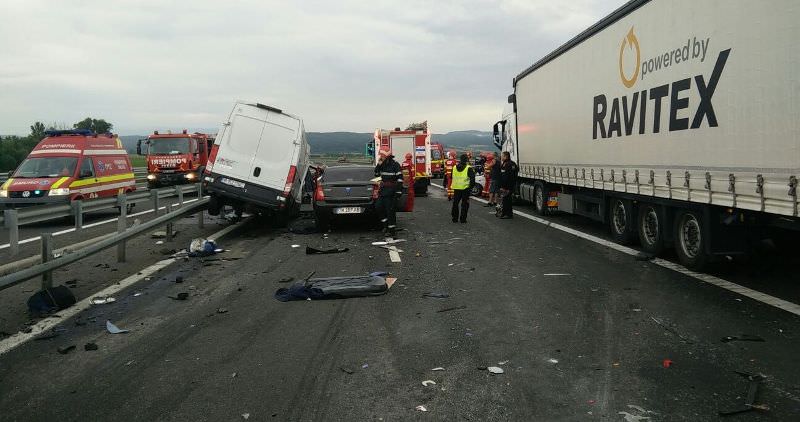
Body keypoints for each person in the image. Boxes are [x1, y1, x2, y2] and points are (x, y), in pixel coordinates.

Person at [374, 149, 403, 235]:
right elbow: (376, 174)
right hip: (383, 191)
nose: (380, 157)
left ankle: (391, 230)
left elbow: (400, 179)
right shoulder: (382, 165)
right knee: (378, 207)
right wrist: (378, 165)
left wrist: (398, 192)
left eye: (382, 156)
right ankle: (385, 225)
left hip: (391, 191)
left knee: (390, 211)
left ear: (387, 157)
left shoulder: (395, 165)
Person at [450, 153, 475, 223]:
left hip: (456, 188)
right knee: (465, 204)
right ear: (467, 160)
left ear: (460, 159)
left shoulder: (454, 167)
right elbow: (472, 179)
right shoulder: (469, 168)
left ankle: (454, 218)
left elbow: (451, 176)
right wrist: (470, 188)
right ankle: (463, 219)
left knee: (455, 204)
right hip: (465, 189)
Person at [498, 151, 518, 219]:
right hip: (510, 185)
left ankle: (507, 214)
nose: (501, 157)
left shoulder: (507, 164)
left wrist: (504, 187)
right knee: (507, 199)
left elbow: (506, 177)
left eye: (502, 156)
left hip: (507, 186)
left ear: (506, 156)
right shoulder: (511, 163)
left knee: (506, 200)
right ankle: (506, 213)